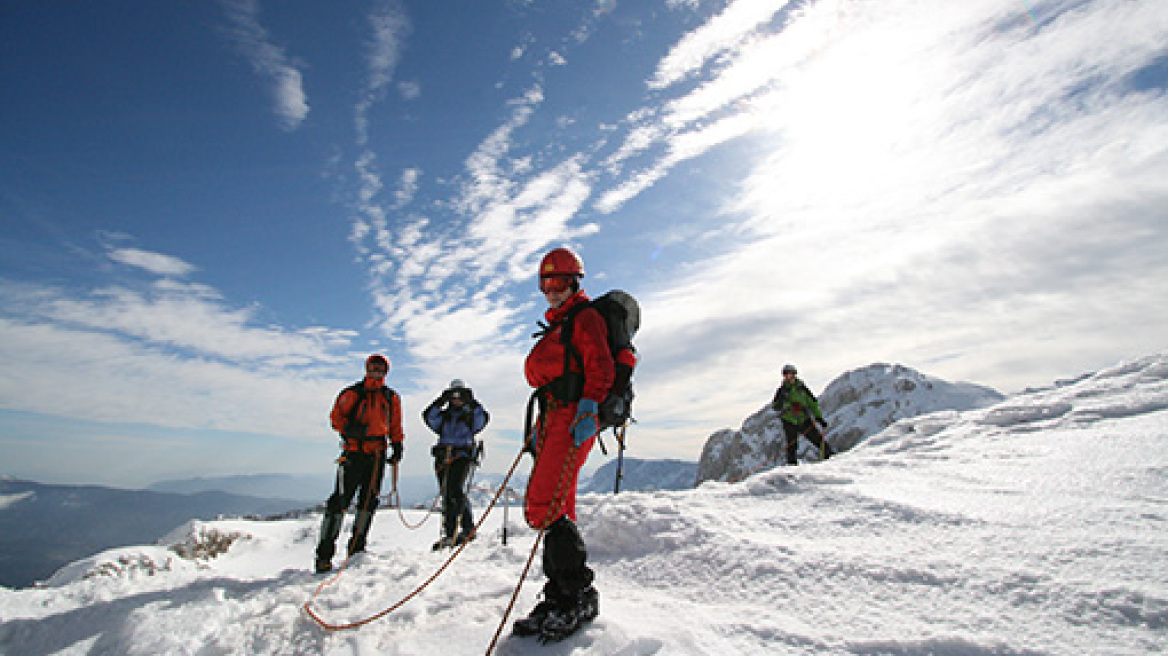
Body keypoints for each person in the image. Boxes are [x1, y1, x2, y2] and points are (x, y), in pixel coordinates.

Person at [513, 247, 613, 643]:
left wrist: (588, 410)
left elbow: (600, 367)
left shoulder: (584, 318)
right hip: (553, 417)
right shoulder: (562, 323)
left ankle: (577, 594)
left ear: (575, 282)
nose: (551, 290)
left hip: (572, 418)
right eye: (546, 283)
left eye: (559, 282)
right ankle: (560, 595)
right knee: (558, 504)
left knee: (543, 503)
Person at [314, 354, 404, 574]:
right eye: (373, 368)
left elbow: (395, 424)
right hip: (354, 453)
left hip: (377, 454)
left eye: (380, 369)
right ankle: (324, 555)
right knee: (339, 502)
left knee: (368, 501)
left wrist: (398, 444)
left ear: (386, 372)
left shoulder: (391, 397)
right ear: (367, 369)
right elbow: (336, 418)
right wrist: (350, 430)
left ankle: (356, 550)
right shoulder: (353, 393)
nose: (377, 372)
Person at [423, 378, 489, 550]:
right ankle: (451, 532)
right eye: (453, 397)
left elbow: (481, 420)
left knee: (455, 490)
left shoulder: (469, 415)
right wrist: (439, 402)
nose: (456, 400)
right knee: (447, 493)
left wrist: (473, 402)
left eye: (460, 397)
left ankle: (467, 528)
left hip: (461, 455)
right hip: (444, 455)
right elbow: (430, 417)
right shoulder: (445, 416)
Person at [771, 363, 834, 465]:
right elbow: (775, 406)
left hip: (803, 418)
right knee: (792, 445)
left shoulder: (802, 388)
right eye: (785, 374)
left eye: (790, 374)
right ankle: (792, 465)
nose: (788, 377)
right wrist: (784, 403)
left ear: (794, 374)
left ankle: (831, 457)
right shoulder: (781, 390)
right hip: (789, 420)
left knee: (817, 439)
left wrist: (819, 417)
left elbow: (812, 402)